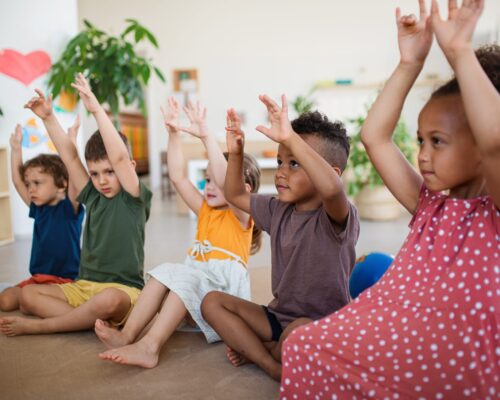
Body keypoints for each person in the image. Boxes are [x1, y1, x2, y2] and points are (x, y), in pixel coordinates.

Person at [280, 1, 499, 398]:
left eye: (438, 141)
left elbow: (496, 140)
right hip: (397, 325)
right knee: (297, 341)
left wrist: (462, 55)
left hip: (451, 359)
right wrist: (409, 63)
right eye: (420, 140)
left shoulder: (494, 215)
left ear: (482, 145)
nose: (423, 154)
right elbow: (374, 137)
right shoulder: (431, 205)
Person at [96, 98, 261, 368]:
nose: (210, 185)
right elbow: (178, 177)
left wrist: (207, 136)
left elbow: (227, 183)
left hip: (223, 299)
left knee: (184, 280)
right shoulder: (206, 209)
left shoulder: (242, 215)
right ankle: (126, 335)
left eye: (215, 180)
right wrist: (173, 133)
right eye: (207, 179)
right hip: (196, 292)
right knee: (164, 272)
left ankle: (150, 347)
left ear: (244, 189)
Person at [201, 101, 360, 381]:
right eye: (280, 162)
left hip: (322, 324)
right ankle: (270, 362)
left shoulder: (336, 216)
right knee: (211, 302)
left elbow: (333, 191)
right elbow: (235, 195)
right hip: (278, 316)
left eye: (295, 163)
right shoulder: (277, 209)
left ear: (329, 172)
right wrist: (236, 153)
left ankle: (256, 350)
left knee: (298, 332)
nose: (282, 172)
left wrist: (290, 138)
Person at [0, 73, 152, 336]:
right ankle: (87, 319)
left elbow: (118, 157)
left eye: (109, 172)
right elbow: (69, 157)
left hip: (122, 290)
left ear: (129, 168)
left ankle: (46, 326)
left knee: (107, 301)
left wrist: (95, 109)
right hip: (83, 286)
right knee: (28, 296)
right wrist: (48, 118)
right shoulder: (92, 195)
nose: (101, 180)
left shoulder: (134, 197)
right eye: (94, 173)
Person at [0, 121, 84, 312]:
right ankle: (35, 301)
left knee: (32, 304)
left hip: (66, 282)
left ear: (62, 184)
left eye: (37, 183)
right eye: (29, 184)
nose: (31, 189)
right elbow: (17, 181)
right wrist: (16, 149)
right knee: (5, 301)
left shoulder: (69, 207)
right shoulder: (38, 209)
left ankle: (41, 304)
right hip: (38, 279)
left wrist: (71, 141)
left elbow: (74, 174)